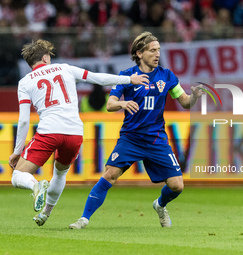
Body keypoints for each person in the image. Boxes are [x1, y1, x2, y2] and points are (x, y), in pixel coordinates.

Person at [69, 31, 204, 229]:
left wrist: (194, 97)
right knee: (109, 175)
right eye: (152, 51)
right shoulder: (126, 77)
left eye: (158, 50)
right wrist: (123, 104)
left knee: (177, 186)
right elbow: (110, 104)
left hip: (157, 139)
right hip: (131, 139)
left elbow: (184, 102)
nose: (157, 54)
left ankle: (160, 205)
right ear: (140, 53)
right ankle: (84, 218)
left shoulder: (167, 77)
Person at [8, 39, 149, 227]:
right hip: (74, 132)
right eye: (49, 56)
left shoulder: (25, 82)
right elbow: (97, 78)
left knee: (18, 176)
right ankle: (45, 213)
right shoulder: (65, 68)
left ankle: (35, 185)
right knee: (59, 174)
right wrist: (128, 79)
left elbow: (24, 120)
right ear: (44, 57)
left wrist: (17, 151)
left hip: (49, 131)